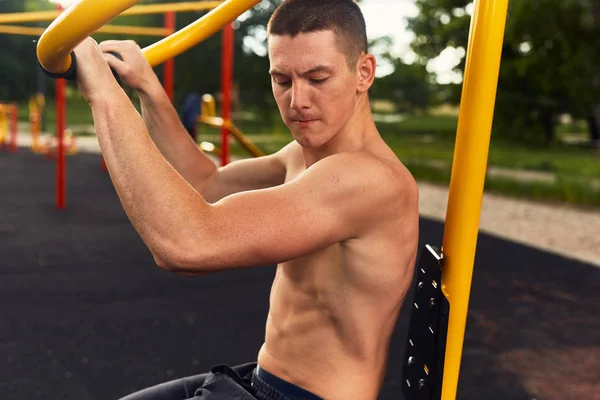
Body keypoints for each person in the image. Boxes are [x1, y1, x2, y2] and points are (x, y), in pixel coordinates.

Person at [72, 0, 419, 398]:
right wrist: (148, 89)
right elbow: (206, 183)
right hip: (262, 378)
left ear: (364, 72)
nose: (297, 101)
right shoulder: (303, 156)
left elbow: (188, 244)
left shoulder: (369, 180)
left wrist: (104, 95)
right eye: (283, 80)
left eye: (317, 78)